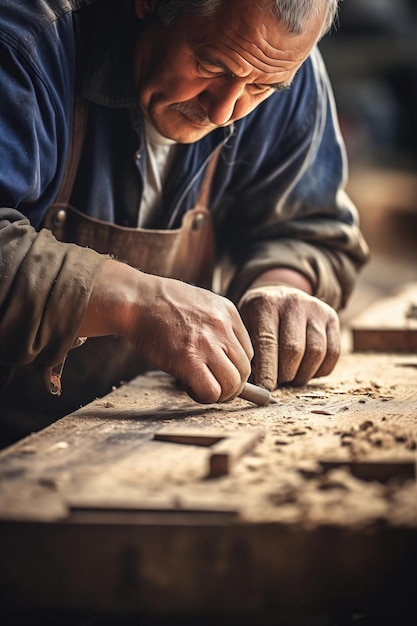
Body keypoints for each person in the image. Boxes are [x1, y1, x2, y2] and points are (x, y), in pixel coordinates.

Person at [0, 0, 369, 447]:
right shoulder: (26, 44)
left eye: (263, 87)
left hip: (137, 437)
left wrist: (284, 286)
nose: (224, 111)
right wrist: (136, 301)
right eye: (210, 64)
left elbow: (308, 228)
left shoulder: (283, 66)